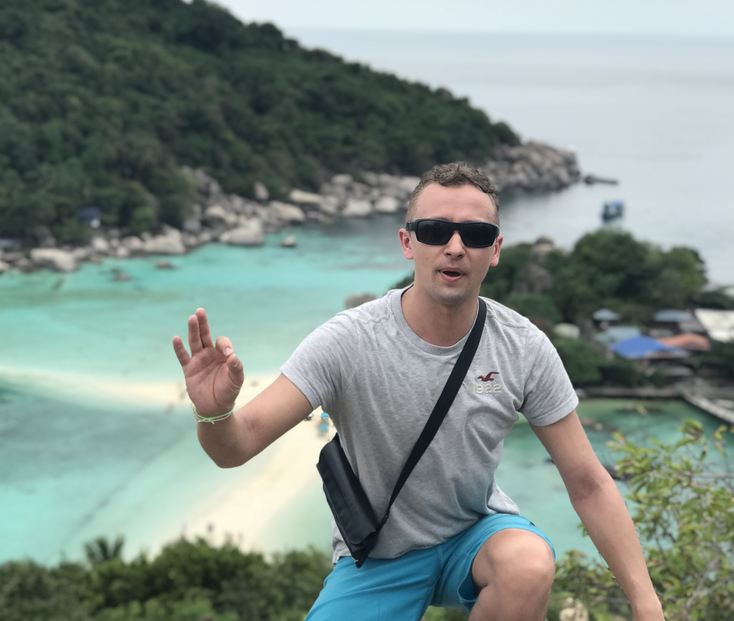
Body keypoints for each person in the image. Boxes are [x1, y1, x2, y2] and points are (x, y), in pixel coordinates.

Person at [172, 163, 664, 621]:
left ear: (494, 250)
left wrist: (646, 605)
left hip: (475, 537)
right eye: (434, 231)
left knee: (528, 563)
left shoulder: (523, 347)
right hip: (378, 557)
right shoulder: (347, 340)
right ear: (408, 243)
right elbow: (238, 445)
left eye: (475, 234)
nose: (454, 247)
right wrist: (214, 413)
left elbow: (589, 482)